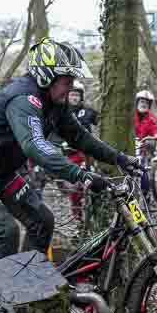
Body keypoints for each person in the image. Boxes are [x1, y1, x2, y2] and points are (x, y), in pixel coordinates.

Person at [0, 36, 140, 271]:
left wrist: (119, 158)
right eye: (67, 81)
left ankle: (26, 287)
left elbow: (79, 137)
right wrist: (80, 174)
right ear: (47, 77)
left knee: (42, 221)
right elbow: (34, 145)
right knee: (6, 230)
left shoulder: (55, 102)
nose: (70, 88)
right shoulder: (25, 99)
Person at [65, 80, 99, 220]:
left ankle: (96, 211)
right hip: (70, 153)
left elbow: (101, 121)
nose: (74, 98)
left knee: (94, 182)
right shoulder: (61, 111)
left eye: (77, 95)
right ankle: (77, 216)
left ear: (81, 97)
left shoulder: (88, 111)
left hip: (87, 153)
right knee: (75, 187)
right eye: (71, 95)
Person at [134, 89, 157, 200]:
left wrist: (152, 138)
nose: (143, 104)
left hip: (143, 148)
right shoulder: (130, 116)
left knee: (143, 169)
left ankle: (145, 193)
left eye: (146, 103)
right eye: (142, 102)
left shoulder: (151, 118)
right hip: (130, 145)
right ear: (137, 102)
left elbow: (154, 133)